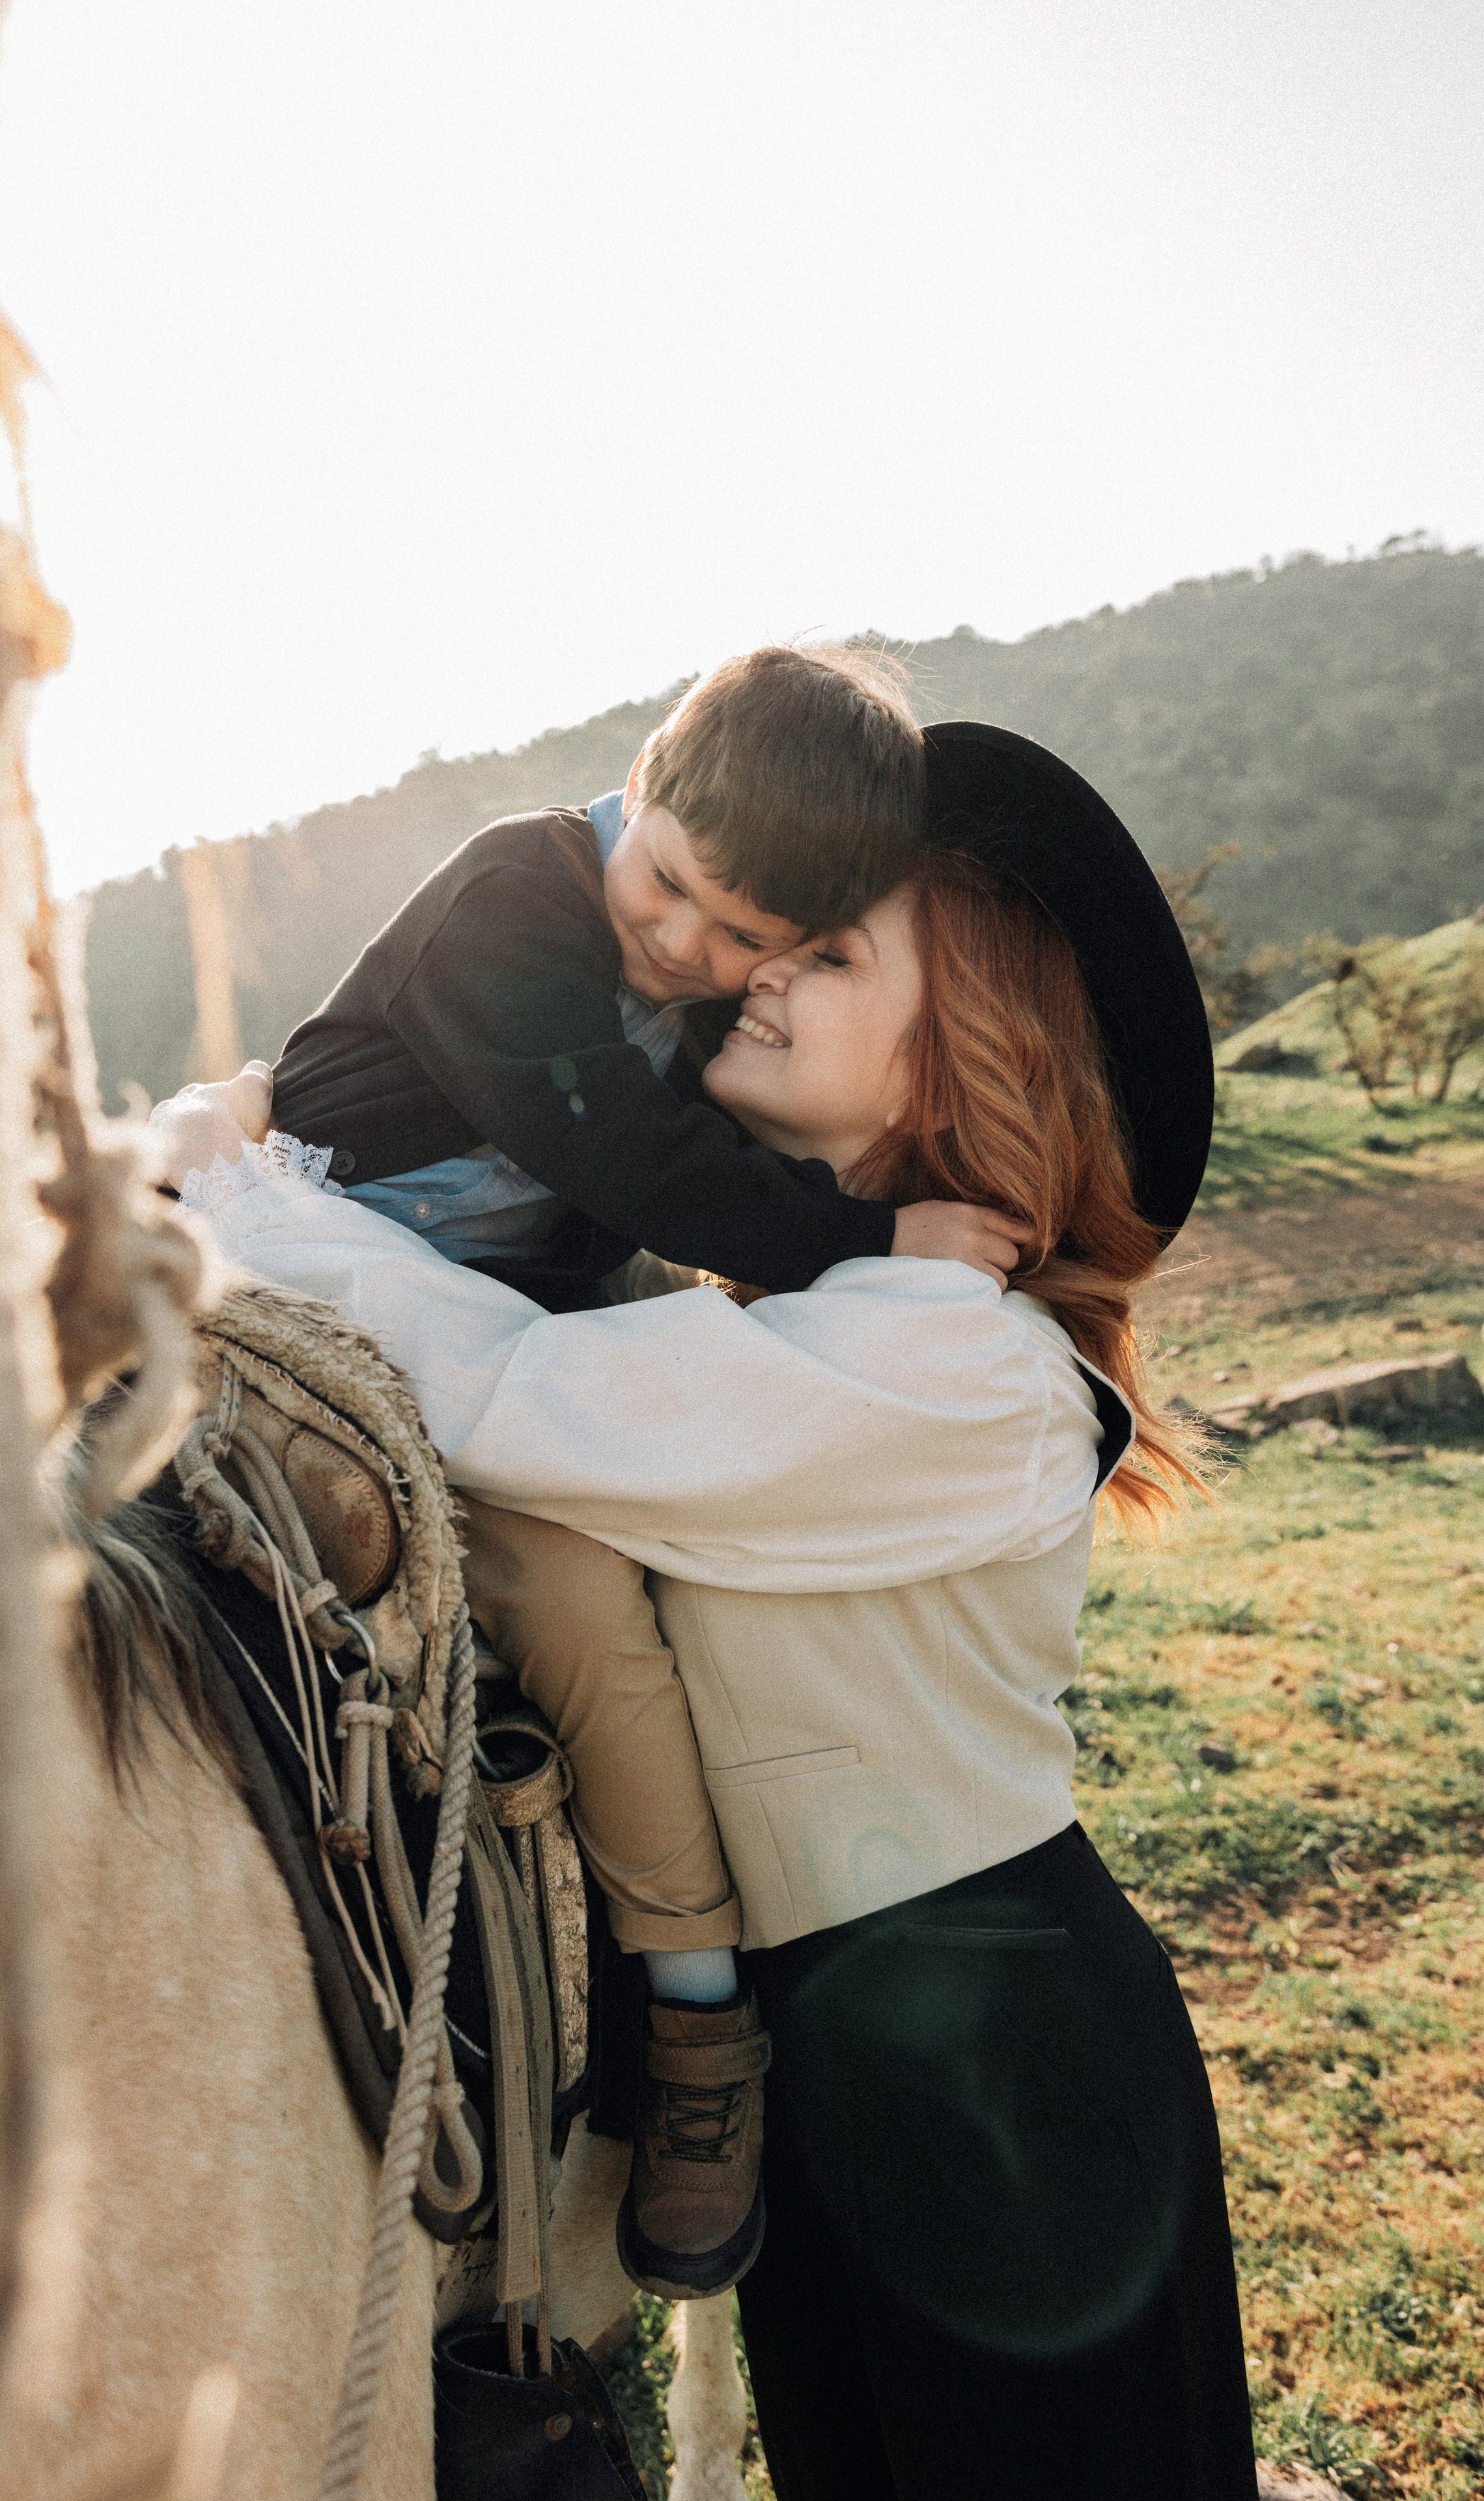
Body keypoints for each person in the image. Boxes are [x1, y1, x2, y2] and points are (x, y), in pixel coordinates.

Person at [155, 720, 1254, 2498]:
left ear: (953, 1068)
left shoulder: (961, 1364)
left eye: (830, 958)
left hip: (1000, 2064)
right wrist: (268, 1114)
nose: (751, 973)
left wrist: (227, 1187)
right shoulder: (792, 1311)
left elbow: (512, 1397)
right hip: (861, 2054)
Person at [165, 645, 1025, 2300]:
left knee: (577, 1594)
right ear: (639, 779)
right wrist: (870, 1236)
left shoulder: (705, 970)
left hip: (496, 1334)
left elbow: (715, 1145)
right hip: (319, 1278)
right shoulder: (516, 894)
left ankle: (698, 2016)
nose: (687, 947)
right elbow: (620, 1150)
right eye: (674, 887)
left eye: (746, 941)